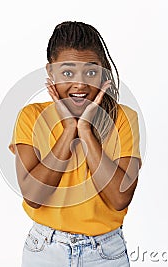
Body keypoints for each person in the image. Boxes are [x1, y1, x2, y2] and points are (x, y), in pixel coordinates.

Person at [8, 21, 142, 267]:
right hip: (45, 250)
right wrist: (69, 129)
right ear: (51, 72)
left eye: (91, 72)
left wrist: (85, 131)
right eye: (68, 73)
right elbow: (33, 196)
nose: (80, 84)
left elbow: (119, 198)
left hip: (106, 253)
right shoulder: (31, 116)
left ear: (103, 74)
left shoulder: (124, 118)